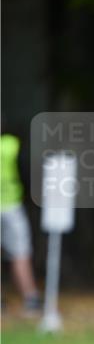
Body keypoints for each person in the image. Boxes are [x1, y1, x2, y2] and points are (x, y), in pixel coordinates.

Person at [1, 131, 41, 315]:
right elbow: (27, 173)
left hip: (12, 205)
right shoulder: (13, 144)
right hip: (12, 205)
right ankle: (30, 297)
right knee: (20, 253)